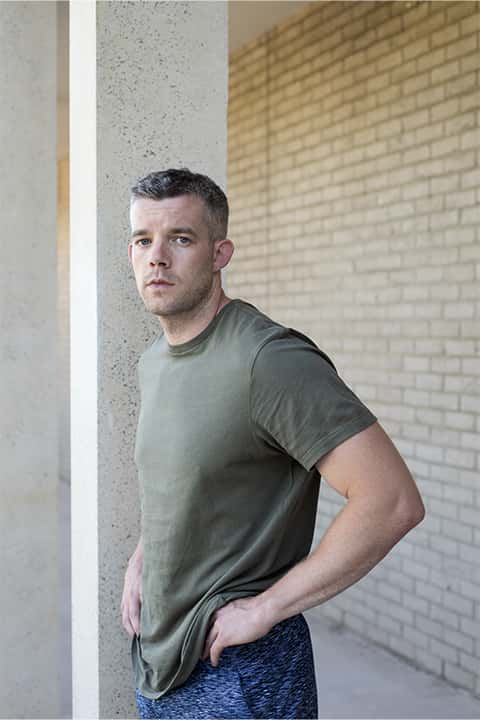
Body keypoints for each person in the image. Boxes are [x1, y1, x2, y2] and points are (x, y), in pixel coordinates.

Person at [122, 167, 425, 719]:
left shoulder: (270, 360)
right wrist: (146, 556)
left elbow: (391, 502)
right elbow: (188, 478)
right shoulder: (155, 362)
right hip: (159, 661)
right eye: (144, 240)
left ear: (220, 253)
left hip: (238, 671)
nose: (157, 257)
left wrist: (268, 609)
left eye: (181, 239)